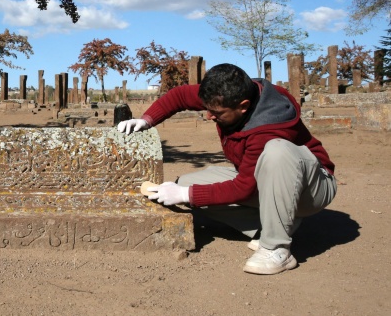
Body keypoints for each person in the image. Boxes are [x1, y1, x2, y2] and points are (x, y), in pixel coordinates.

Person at [118, 63, 336, 275]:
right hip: (264, 181)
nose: (208, 116)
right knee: (182, 186)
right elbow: (180, 95)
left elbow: (244, 188)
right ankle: (270, 225)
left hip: (311, 188)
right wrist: (146, 120)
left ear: (243, 105)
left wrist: (187, 195)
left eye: (216, 113)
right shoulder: (223, 94)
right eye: (207, 108)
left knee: (276, 151)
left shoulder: (268, 126)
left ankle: (276, 248)